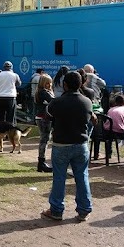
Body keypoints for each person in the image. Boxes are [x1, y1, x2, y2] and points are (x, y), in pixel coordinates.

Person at [41, 71, 95, 222]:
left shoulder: (57, 102)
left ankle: (56, 210)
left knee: (59, 178)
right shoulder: (87, 102)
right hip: (81, 144)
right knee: (82, 176)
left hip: (61, 144)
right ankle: (84, 210)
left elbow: (48, 116)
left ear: (65, 84)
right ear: (81, 84)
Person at [34, 73, 54, 172]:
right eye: (47, 83)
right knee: (44, 140)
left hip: (41, 117)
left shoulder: (40, 92)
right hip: (44, 118)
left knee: (44, 140)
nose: (49, 85)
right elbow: (53, 101)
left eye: (50, 83)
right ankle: (41, 163)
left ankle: (41, 163)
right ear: (42, 83)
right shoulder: (43, 92)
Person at [0, 60, 21, 125]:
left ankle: (0, 132)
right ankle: (10, 132)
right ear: (11, 67)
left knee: (0, 117)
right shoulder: (15, 75)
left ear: (3, 67)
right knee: (10, 117)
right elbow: (19, 84)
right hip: (10, 97)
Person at [104, 94, 124, 160]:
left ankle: (108, 154)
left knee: (110, 136)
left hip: (107, 132)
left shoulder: (110, 110)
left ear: (115, 103)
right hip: (120, 133)